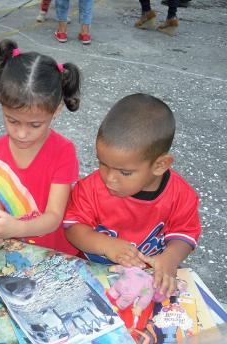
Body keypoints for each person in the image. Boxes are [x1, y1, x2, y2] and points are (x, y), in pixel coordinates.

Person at [64, 93, 201, 297]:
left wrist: (169, 259)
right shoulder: (91, 187)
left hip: (149, 279)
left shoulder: (180, 195)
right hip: (94, 274)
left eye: (124, 172)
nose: (110, 178)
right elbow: (73, 228)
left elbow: (185, 234)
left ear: (159, 165)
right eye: (102, 163)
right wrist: (106, 245)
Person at [0, 39, 81, 255]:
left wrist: (16, 228)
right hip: (15, 251)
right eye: (12, 121)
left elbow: (54, 217)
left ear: (56, 110)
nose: (21, 133)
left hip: (55, 254)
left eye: (35, 125)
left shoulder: (63, 152)